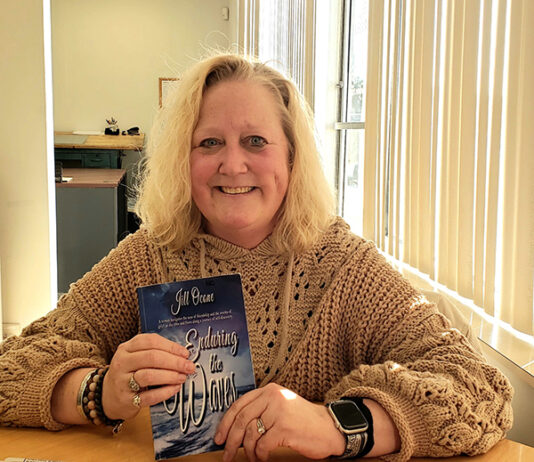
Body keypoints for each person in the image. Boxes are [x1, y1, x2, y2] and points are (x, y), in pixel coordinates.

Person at [0, 54, 513, 461]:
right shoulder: (149, 255)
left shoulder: (345, 267)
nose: (232, 163)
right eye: (209, 142)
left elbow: (481, 390)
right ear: (184, 159)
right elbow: (11, 370)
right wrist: (98, 392)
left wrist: (335, 425)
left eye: (255, 141)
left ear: (291, 156)